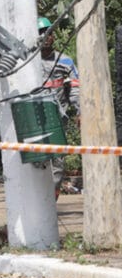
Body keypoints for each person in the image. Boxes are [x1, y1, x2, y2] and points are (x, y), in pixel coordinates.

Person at [37, 17, 80, 197]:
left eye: (49, 32)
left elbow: (76, 89)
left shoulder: (65, 61)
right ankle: (37, 198)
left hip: (57, 119)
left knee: (57, 160)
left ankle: (52, 197)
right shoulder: (27, 62)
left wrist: (80, 111)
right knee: (36, 159)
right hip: (35, 120)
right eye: (41, 33)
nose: (46, 36)